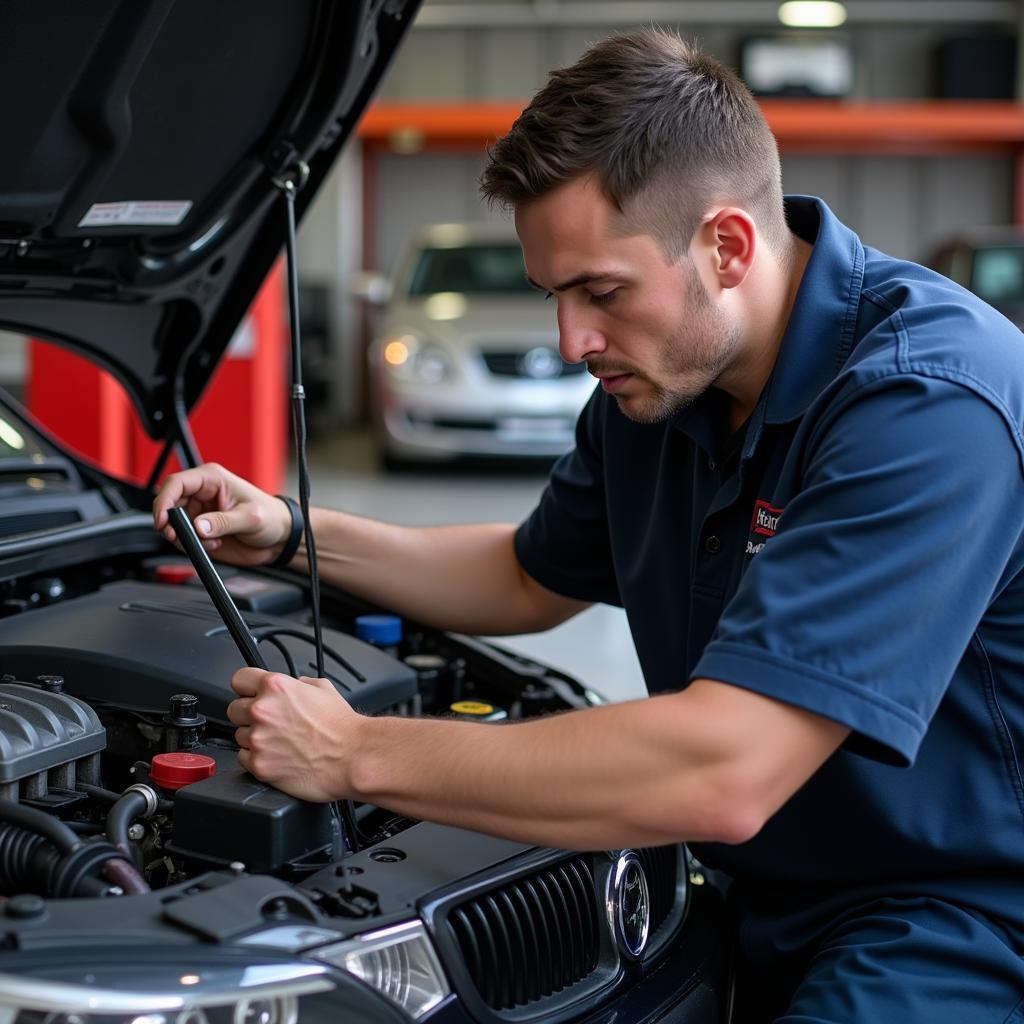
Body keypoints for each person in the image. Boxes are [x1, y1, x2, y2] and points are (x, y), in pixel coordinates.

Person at [153, 28, 1024, 1024]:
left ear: (728, 246)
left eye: (601, 291)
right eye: (554, 296)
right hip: (751, 883)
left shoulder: (924, 405)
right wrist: (293, 531)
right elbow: (526, 577)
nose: (572, 342)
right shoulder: (656, 389)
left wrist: (356, 751)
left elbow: (724, 766)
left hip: (953, 916)